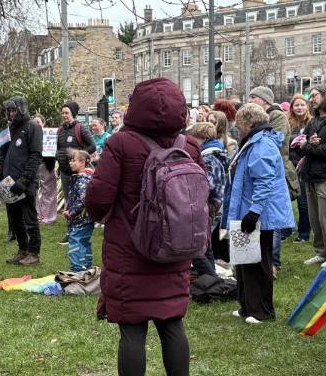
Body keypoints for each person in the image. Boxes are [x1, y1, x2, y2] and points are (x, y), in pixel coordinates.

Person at [85, 78, 197, 376]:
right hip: (175, 246)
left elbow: (98, 199)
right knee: (172, 323)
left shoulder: (121, 144)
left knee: (132, 330)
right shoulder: (190, 146)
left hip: (130, 248)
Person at [228, 103, 295, 324]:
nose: (238, 129)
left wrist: (254, 212)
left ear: (249, 122)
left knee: (259, 261)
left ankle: (263, 311)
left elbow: (264, 182)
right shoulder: (254, 142)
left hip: (260, 214)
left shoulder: (262, 144)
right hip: (250, 210)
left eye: (239, 124)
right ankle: (247, 305)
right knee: (244, 259)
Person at [248, 86, 299, 275]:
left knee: (272, 219)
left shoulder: (276, 116)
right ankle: (264, 259)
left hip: (276, 172)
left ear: (265, 100)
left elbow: (274, 142)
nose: (250, 99)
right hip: (266, 170)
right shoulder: (260, 115)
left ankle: (273, 262)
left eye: (254, 97)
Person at [296, 84, 326, 266]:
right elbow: (299, 148)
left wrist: (309, 146)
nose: (311, 99)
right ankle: (321, 252)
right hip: (311, 174)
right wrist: (308, 145)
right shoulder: (312, 122)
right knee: (315, 218)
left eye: (315, 95)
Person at [0, 96, 43, 266]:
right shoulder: (9, 129)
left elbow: (35, 156)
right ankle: (22, 250)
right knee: (15, 220)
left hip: (25, 183)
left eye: (13, 110)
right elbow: (3, 154)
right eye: (9, 110)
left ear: (22, 109)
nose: (11, 113)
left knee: (30, 219)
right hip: (9, 183)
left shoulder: (33, 127)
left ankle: (34, 253)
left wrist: (24, 180)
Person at [186, 122, 229, 277]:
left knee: (195, 246)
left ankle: (211, 278)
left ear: (202, 138)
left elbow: (207, 185)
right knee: (205, 244)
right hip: (215, 204)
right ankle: (210, 279)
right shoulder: (217, 154)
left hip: (208, 205)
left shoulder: (209, 158)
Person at [56, 101, 96, 245]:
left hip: (79, 173)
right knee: (69, 201)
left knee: (79, 203)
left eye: (66, 112)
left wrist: (79, 157)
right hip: (65, 172)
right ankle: (70, 231)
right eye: (62, 113)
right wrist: (57, 156)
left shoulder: (81, 128)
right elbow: (59, 148)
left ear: (73, 113)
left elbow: (92, 145)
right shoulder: (60, 130)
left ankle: (82, 230)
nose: (64, 115)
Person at [62, 150, 94, 271]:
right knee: (85, 241)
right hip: (87, 218)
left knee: (75, 241)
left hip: (80, 219)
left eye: (73, 160)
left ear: (82, 163)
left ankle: (77, 269)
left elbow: (81, 200)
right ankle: (87, 265)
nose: (70, 163)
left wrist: (71, 212)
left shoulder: (82, 180)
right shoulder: (86, 177)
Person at [288, 94, 312, 243]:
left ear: (307, 106)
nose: (299, 107)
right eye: (296, 105)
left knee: (303, 203)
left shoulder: (312, 122)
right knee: (287, 200)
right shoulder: (288, 123)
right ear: (292, 107)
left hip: (304, 165)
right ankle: (286, 229)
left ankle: (304, 233)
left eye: (302, 105)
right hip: (290, 165)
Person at [33, 114, 58, 225]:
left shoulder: (50, 134)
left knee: (48, 191)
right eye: (34, 122)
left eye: (38, 122)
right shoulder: (31, 135)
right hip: (34, 165)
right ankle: (38, 215)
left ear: (43, 123)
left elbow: (57, 148)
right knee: (34, 192)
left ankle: (48, 217)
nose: (36, 124)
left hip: (47, 164)